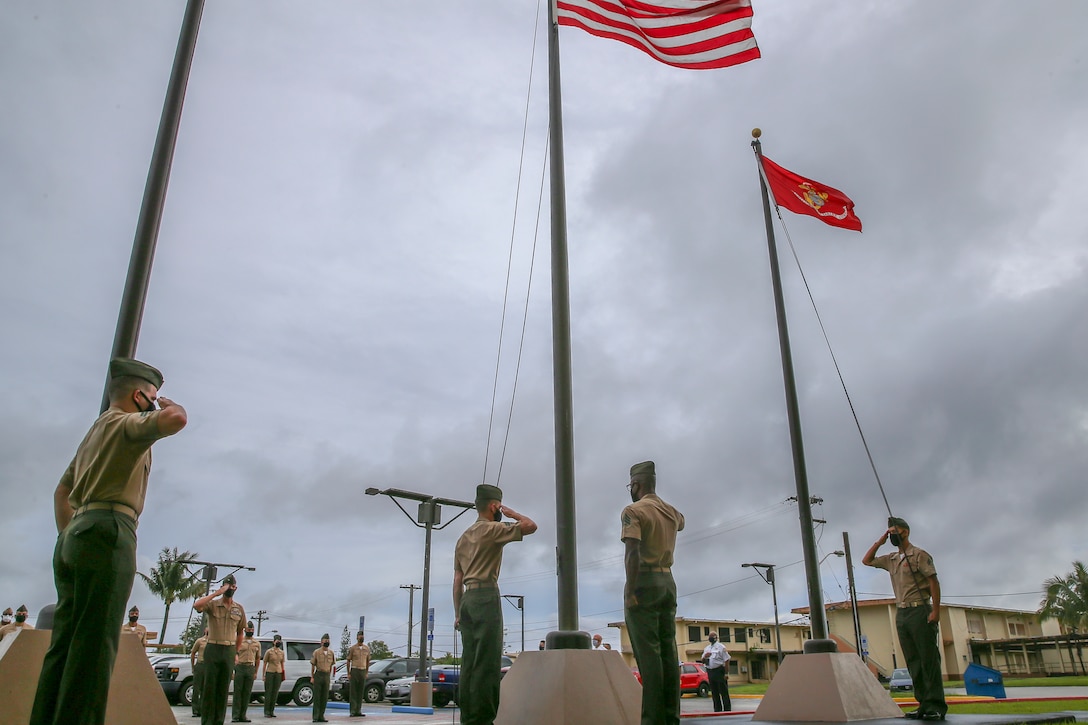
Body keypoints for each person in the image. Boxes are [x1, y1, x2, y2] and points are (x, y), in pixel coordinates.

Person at [30, 357, 186, 725]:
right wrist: (169, 406)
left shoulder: (96, 430)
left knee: (63, 647)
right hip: (110, 529)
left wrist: (70, 534)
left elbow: (62, 490)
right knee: (95, 650)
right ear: (139, 396)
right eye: (151, 396)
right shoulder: (127, 424)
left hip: (75, 533)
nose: (154, 402)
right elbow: (177, 420)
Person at [453, 484, 537, 725]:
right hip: (486, 597)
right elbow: (530, 526)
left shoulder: (463, 537)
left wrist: (458, 612)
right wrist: (510, 513)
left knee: (470, 663)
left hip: (467, 600)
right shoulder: (493, 529)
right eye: (498, 506)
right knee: (487, 664)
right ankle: (483, 720)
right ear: (494, 506)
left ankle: (468, 718)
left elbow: (457, 581)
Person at [862, 517, 946, 722]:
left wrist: (935, 611)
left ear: (905, 532)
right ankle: (923, 705)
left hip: (920, 609)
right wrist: (880, 541)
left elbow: (933, 581)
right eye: (889, 533)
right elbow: (867, 560)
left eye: (894, 532)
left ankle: (936, 705)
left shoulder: (919, 555)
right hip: (902, 613)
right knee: (913, 662)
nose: (892, 536)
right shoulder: (891, 559)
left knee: (928, 660)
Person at [622, 460, 685, 725]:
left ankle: (653, 720)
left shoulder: (633, 511)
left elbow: (632, 551)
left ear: (636, 485)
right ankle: (671, 717)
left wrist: (630, 590)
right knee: (669, 653)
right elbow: (681, 524)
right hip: (668, 582)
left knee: (649, 656)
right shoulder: (672, 511)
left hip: (645, 582)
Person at [194, 575, 246, 725]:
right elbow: (197, 605)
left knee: (223, 689)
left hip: (229, 650)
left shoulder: (238, 609)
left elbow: (240, 632)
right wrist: (216, 593)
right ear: (223, 587)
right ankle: (207, 721)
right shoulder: (213, 604)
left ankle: (218, 721)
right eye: (227, 586)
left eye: (232, 587)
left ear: (236, 588)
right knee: (210, 687)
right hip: (213, 648)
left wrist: (236, 652)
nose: (230, 589)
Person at [232, 620, 260, 722]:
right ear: (245, 630)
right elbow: (233, 655)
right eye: (249, 629)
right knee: (238, 692)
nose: (250, 631)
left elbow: (257, 659)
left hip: (250, 668)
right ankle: (235, 716)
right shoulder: (239, 641)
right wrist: (232, 671)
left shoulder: (256, 643)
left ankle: (243, 715)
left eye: (252, 629)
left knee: (247, 693)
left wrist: (256, 672)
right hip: (240, 667)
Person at [701, 631, 731, 712]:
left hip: (719, 671)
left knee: (723, 691)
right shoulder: (707, 648)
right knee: (714, 692)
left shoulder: (721, 647)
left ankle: (727, 709)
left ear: (716, 637)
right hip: (710, 671)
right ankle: (717, 709)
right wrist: (705, 657)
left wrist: (726, 673)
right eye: (709, 636)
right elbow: (702, 661)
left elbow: (727, 660)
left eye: (712, 636)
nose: (710, 638)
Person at [310, 633, 336, 723]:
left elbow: (332, 665)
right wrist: (312, 676)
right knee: (317, 696)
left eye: (328, 640)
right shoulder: (317, 652)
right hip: (319, 674)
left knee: (325, 697)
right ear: (321, 642)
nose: (327, 642)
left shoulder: (331, 653)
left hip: (326, 675)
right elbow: (313, 665)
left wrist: (329, 675)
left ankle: (321, 716)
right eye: (325, 640)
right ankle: (316, 716)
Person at [260, 634, 286, 718]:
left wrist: (282, 674)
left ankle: (271, 711)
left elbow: (282, 663)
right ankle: (266, 711)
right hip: (270, 672)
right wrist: (263, 675)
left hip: (278, 673)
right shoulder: (269, 651)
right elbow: (264, 663)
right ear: (273, 642)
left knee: (275, 693)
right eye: (277, 641)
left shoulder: (282, 652)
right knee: (268, 692)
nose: (278, 642)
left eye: (279, 641)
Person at [346, 630, 370, 717]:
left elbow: (368, 661)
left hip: (362, 670)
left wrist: (366, 672)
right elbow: (348, 660)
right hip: (355, 670)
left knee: (360, 691)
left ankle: (358, 710)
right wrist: (348, 672)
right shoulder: (353, 648)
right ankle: (353, 710)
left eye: (362, 636)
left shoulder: (366, 648)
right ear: (357, 637)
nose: (361, 637)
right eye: (360, 636)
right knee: (354, 691)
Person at [190, 627, 209, 717]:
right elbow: (193, 653)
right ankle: (195, 710)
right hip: (200, 665)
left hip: (209, 666)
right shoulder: (200, 641)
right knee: (196, 688)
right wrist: (193, 666)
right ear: (205, 630)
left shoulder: (213, 641)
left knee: (205, 689)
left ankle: (203, 709)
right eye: (207, 629)